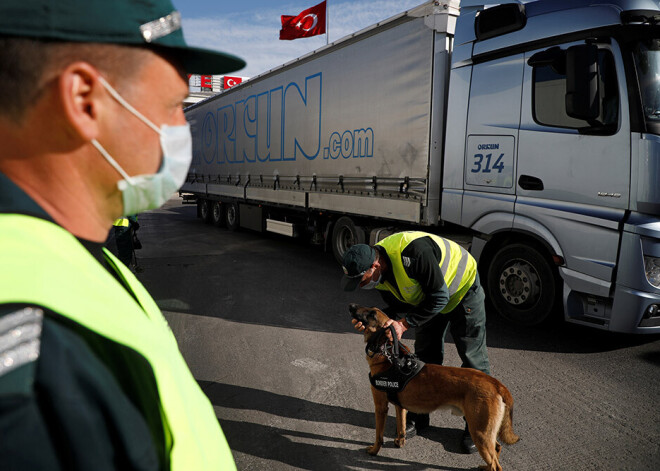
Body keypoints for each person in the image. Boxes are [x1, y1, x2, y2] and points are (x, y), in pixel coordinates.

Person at [0, 1, 245, 469]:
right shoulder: (32, 366)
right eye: (173, 105)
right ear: (85, 101)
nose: (181, 127)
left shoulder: (79, 256)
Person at [342, 231, 490, 454]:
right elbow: (397, 306)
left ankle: (476, 426)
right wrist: (373, 324)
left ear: (375, 265)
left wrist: (404, 324)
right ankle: (419, 414)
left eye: (361, 280)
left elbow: (440, 297)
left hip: (462, 291)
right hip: (428, 299)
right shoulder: (379, 274)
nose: (360, 286)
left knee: (473, 360)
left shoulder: (413, 252)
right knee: (424, 357)